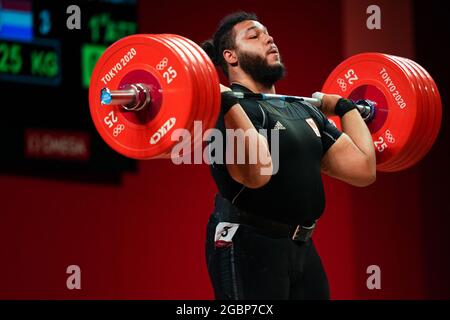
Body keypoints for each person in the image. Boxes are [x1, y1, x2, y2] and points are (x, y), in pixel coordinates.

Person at [201, 12, 376, 300]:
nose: (269, 39)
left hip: (301, 247)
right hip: (248, 244)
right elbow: (257, 175)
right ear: (230, 56)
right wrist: (229, 102)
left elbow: (363, 169)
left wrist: (346, 107)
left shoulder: (303, 110)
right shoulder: (228, 113)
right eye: (254, 36)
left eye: (268, 33)